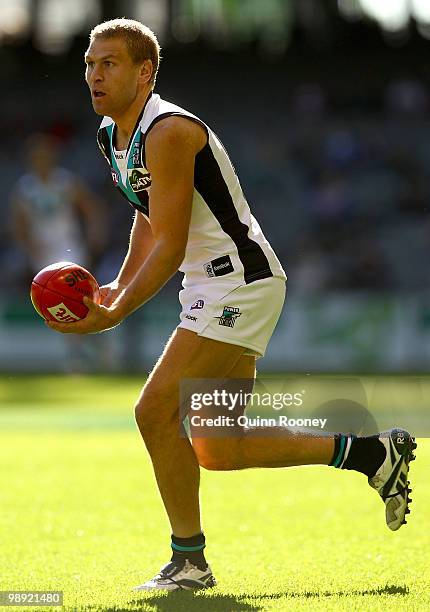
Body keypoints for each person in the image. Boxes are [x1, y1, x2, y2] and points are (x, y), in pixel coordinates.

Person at [48, 19, 417, 591]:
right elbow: (147, 220)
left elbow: (170, 244)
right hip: (216, 285)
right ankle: (372, 453)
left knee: (154, 411)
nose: (95, 75)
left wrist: (115, 314)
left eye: (110, 63)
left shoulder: (169, 130)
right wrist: (114, 288)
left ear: (146, 73)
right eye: (90, 65)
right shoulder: (110, 134)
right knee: (219, 447)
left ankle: (188, 561)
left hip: (238, 282)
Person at [11, 133, 104, 272]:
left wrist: (95, 232)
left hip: (69, 243)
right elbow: (19, 223)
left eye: (45, 156)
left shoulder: (65, 181)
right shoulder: (25, 189)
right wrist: (29, 246)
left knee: (76, 282)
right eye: (38, 157)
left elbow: (90, 207)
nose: (42, 161)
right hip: (42, 247)